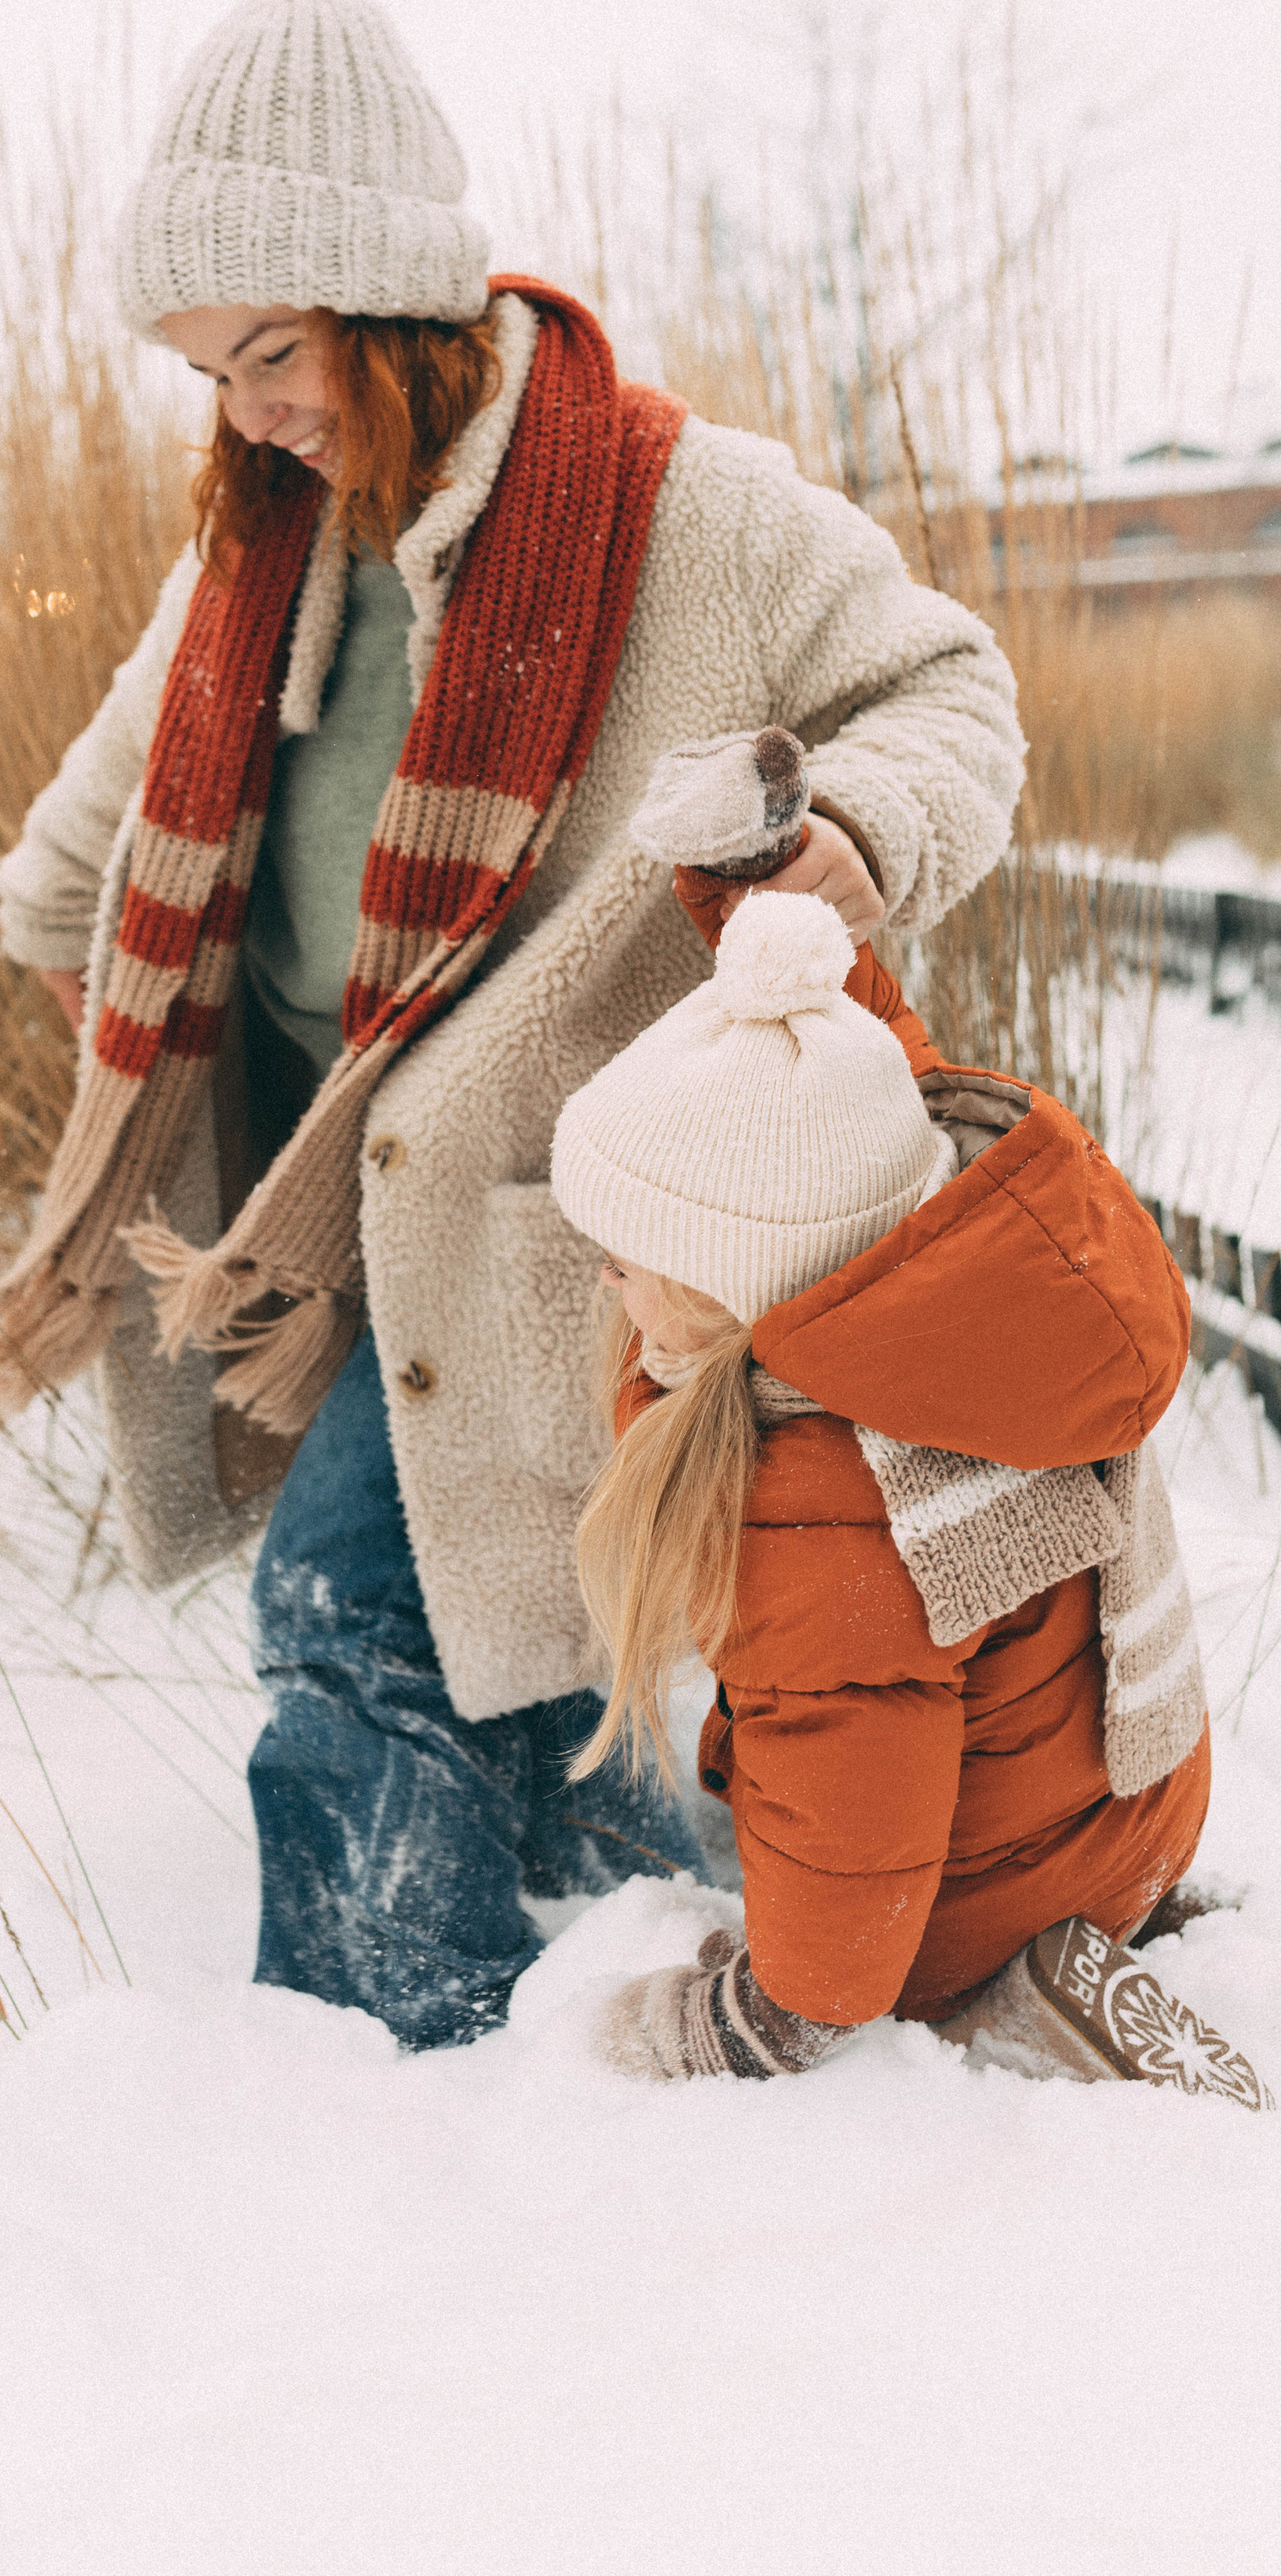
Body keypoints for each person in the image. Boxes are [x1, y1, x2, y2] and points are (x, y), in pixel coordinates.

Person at [0, 0, 1027, 2051]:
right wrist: (134, 1026)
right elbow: (69, 874)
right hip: (328, 1197)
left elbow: (948, 691)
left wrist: (863, 832)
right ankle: (627, 1944)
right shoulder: (260, 554)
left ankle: (376, 2064)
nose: (247, 408)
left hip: (567, 1192)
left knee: (352, 1598)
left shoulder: (684, 513)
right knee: (509, 1619)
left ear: (395, 304)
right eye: (203, 368)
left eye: (275, 350)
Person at [546, 739, 1268, 2106]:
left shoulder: (813, 1506)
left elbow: (849, 1866)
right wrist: (748, 890)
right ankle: (1119, 1906)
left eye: (635, 1251)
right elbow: (863, 1064)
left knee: (872, 1902)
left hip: (956, 1899)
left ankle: (1009, 1989)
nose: (606, 1276)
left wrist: (745, 2023)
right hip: (1130, 1790)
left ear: (739, 1276)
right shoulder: (935, 1254)